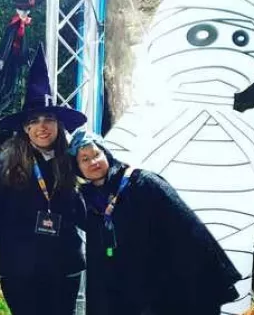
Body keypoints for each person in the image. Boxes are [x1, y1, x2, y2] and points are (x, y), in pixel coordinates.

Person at [67, 128, 242, 315]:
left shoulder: (142, 183)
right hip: (120, 294)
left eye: (96, 154)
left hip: (158, 290)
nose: (93, 162)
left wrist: (202, 281)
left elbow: (188, 230)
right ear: (78, 167)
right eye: (84, 159)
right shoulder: (86, 202)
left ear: (106, 154)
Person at [0, 44, 88, 315]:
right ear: (25, 128)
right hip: (21, 272)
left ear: (59, 125)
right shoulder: (5, 164)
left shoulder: (72, 160)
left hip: (64, 269)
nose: (42, 126)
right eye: (34, 121)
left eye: (48, 119)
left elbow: (89, 212)